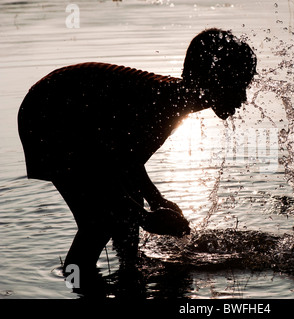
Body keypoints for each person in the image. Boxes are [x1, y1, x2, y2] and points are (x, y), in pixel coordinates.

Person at [17, 28, 257, 290]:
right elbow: (106, 168)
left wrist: (155, 200)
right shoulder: (163, 106)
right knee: (98, 222)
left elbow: (126, 161)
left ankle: (129, 274)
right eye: (238, 86)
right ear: (213, 80)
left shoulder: (175, 102)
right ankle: (77, 281)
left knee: (126, 204)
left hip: (71, 115)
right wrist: (147, 219)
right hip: (49, 116)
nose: (244, 98)